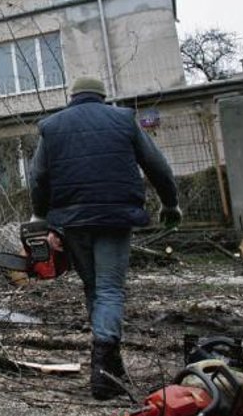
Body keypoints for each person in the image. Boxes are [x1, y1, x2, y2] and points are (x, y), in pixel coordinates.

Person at [29, 76, 181, 400]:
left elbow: (39, 175)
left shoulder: (52, 126)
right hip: (115, 218)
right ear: (102, 96)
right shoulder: (123, 119)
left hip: (72, 221)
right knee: (110, 289)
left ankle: (109, 368)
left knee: (94, 289)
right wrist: (171, 204)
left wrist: (41, 216)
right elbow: (158, 166)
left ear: (72, 97)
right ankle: (103, 370)